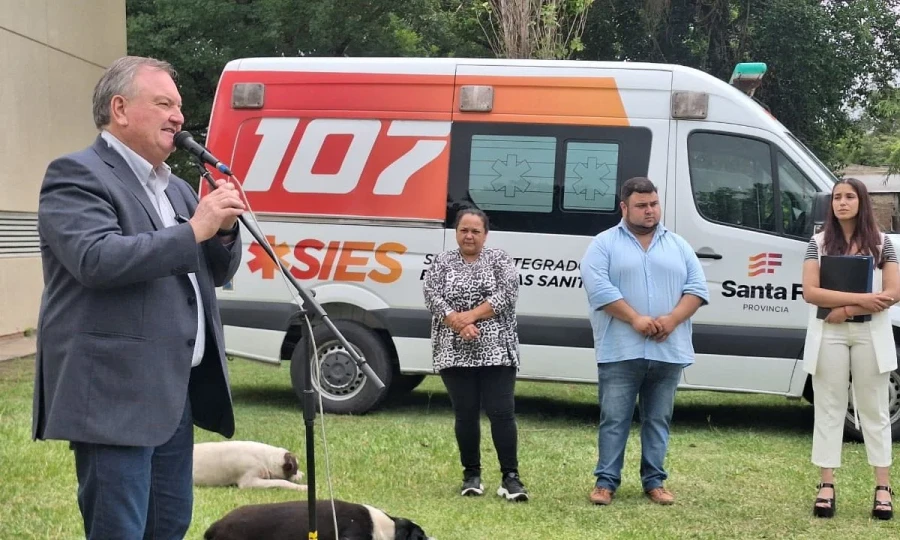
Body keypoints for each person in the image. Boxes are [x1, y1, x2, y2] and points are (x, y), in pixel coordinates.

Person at [32, 56, 245, 539]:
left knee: (168, 525)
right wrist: (197, 229)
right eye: (164, 103)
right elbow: (97, 260)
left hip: (173, 393)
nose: (178, 116)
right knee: (120, 530)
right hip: (115, 395)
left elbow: (212, 272)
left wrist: (224, 235)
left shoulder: (179, 191)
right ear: (121, 109)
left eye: (180, 106)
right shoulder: (77, 175)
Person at [579, 176, 709, 506]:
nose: (650, 211)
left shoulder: (678, 245)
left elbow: (697, 289)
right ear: (624, 207)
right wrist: (635, 318)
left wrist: (672, 319)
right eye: (641, 205)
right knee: (614, 419)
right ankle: (605, 482)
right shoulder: (603, 244)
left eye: (654, 204)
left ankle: (655, 482)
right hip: (620, 349)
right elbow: (599, 289)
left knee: (658, 419)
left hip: (668, 349)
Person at [801, 177, 899, 520]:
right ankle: (826, 485)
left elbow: (891, 294)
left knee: (874, 409)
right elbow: (811, 293)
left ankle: (883, 487)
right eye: (837, 197)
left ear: (862, 202)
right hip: (829, 333)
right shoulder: (817, 242)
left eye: (849, 197)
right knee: (828, 407)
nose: (842, 202)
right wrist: (861, 300)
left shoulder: (883, 243)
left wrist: (846, 309)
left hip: (870, 333)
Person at [422, 207, 528, 501]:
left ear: (485, 234)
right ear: (456, 232)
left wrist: (468, 317)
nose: (469, 236)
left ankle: (511, 478)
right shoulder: (442, 261)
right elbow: (432, 296)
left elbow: (506, 295)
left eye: (475, 231)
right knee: (465, 414)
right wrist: (457, 322)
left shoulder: (499, 259)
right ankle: (471, 475)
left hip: (497, 350)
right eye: (463, 230)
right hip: (453, 351)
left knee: (502, 413)